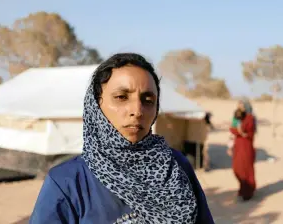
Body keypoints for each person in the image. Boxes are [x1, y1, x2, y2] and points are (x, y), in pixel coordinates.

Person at [29, 53, 214, 224]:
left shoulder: (175, 166)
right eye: (121, 97)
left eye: (148, 100)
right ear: (96, 105)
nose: (137, 111)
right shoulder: (67, 181)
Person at [227, 99, 256, 201]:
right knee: (237, 168)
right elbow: (233, 129)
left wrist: (240, 132)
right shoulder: (237, 116)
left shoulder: (250, 118)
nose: (239, 108)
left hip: (246, 146)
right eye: (238, 106)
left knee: (246, 169)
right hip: (238, 146)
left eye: (241, 106)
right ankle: (242, 188)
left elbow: (248, 132)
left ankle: (248, 192)